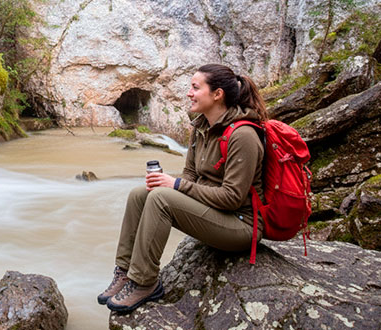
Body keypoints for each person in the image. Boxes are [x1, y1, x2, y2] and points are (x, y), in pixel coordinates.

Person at [98, 63, 269, 313]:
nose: (189, 93)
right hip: (214, 211)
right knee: (140, 195)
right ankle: (125, 271)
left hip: (241, 224)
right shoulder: (200, 128)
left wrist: (174, 185)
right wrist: (168, 182)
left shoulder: (243, 136)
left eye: (195, 87)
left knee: (162, 199)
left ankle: (145, 282)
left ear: (217, 94)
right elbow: (190, 174)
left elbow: (232, 198)